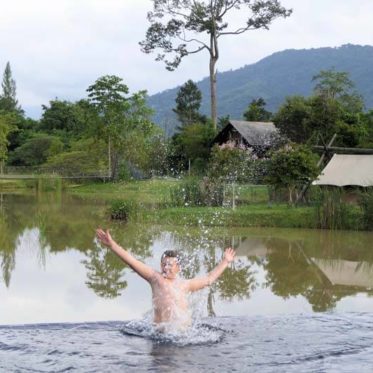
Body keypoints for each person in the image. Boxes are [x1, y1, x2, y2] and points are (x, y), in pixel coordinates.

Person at [96, 228, 236, 331]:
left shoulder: (185, 284)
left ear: (178, 267)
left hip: (182, 337)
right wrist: (112, 245)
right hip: (160, 336)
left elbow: (209, 279)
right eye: (163, 264)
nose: (166, 268)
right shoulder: (155, 278)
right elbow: (132, 261)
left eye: (170, 265)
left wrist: (225, 261)